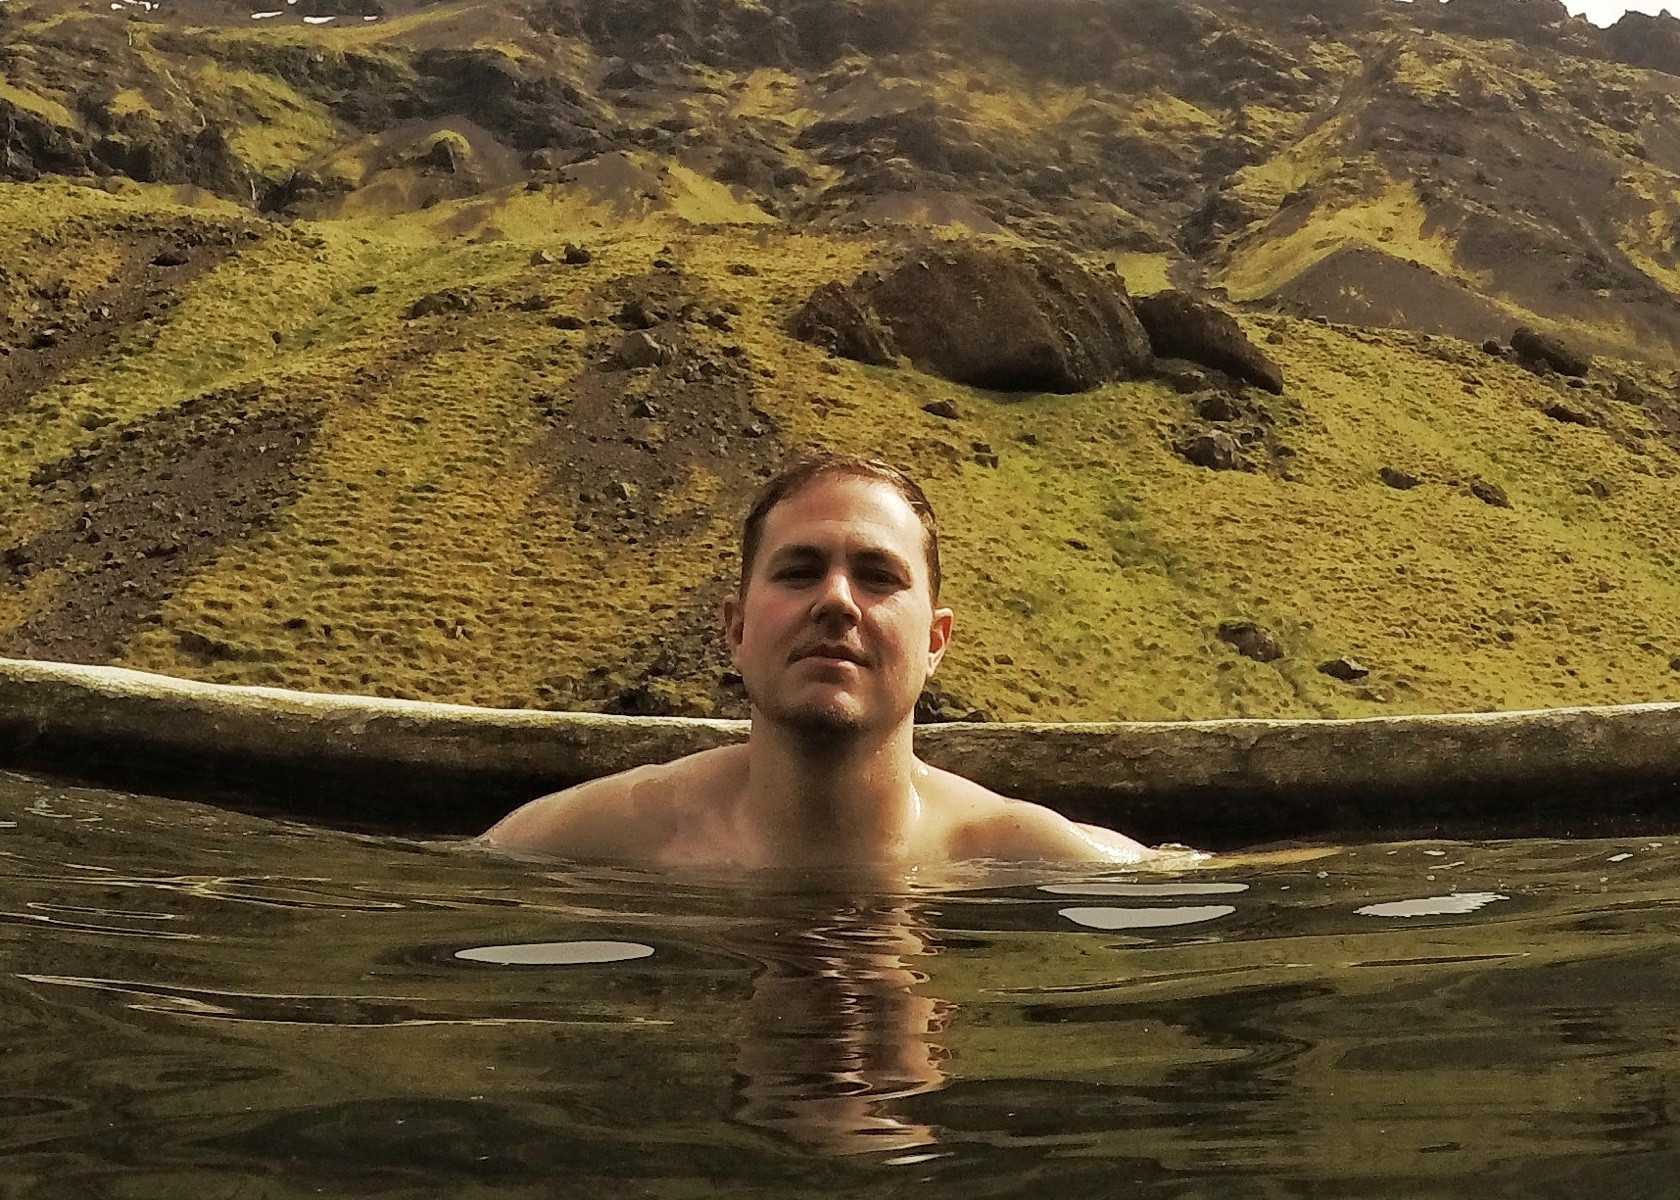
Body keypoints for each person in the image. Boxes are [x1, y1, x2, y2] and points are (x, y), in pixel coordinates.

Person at [480, 452, 1154, 868]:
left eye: (878, 576)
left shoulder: (1023, 855)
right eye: (799, 571)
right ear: (736, 628)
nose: (836, 601)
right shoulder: (594, 836)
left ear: (935, 642)